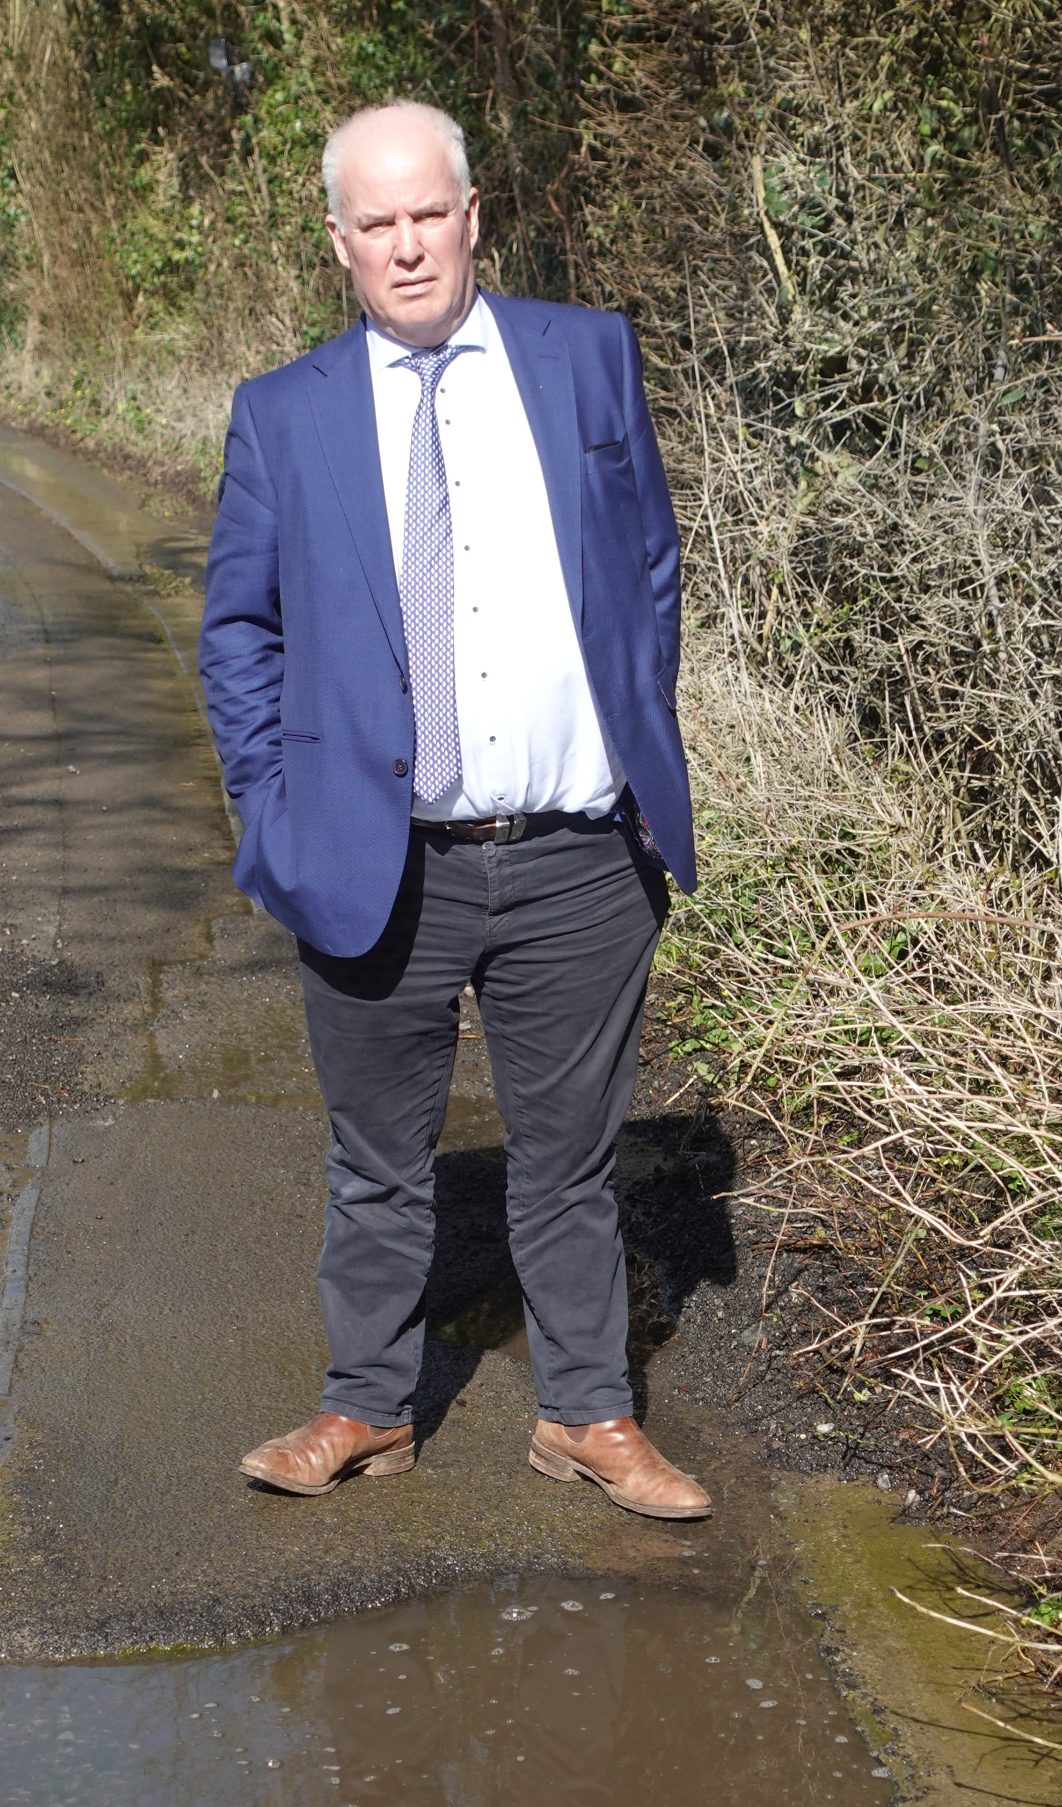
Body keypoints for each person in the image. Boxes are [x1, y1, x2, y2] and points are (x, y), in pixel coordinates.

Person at [198, 98, 711, 1521]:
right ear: (339, 241)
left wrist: (635, 746)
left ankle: (589, 1416)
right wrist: (273, 812)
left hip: (577, 858)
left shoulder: (585, 359)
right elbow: (239, 632)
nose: (409, 245)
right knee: (376, 1163)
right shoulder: (284, 415)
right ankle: (366, 1407)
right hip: (378, 863)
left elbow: (650, 566)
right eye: (379, 223)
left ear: (474, 215)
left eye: (432, 213)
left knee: (571, 1160)